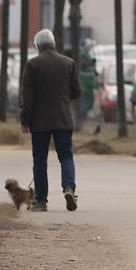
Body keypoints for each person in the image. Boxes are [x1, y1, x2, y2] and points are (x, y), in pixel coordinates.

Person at [20, 29, 82, 212]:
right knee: (66, 156)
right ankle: (69, 188)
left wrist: (25, 120)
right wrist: (62, 97)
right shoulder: (69, 63)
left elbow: (27, 98)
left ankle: (41, 201)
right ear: (54, 44)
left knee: (40, 160)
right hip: (63, 119)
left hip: (40, 122)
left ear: (37, 46)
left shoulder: (32, 65)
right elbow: (77, 91)